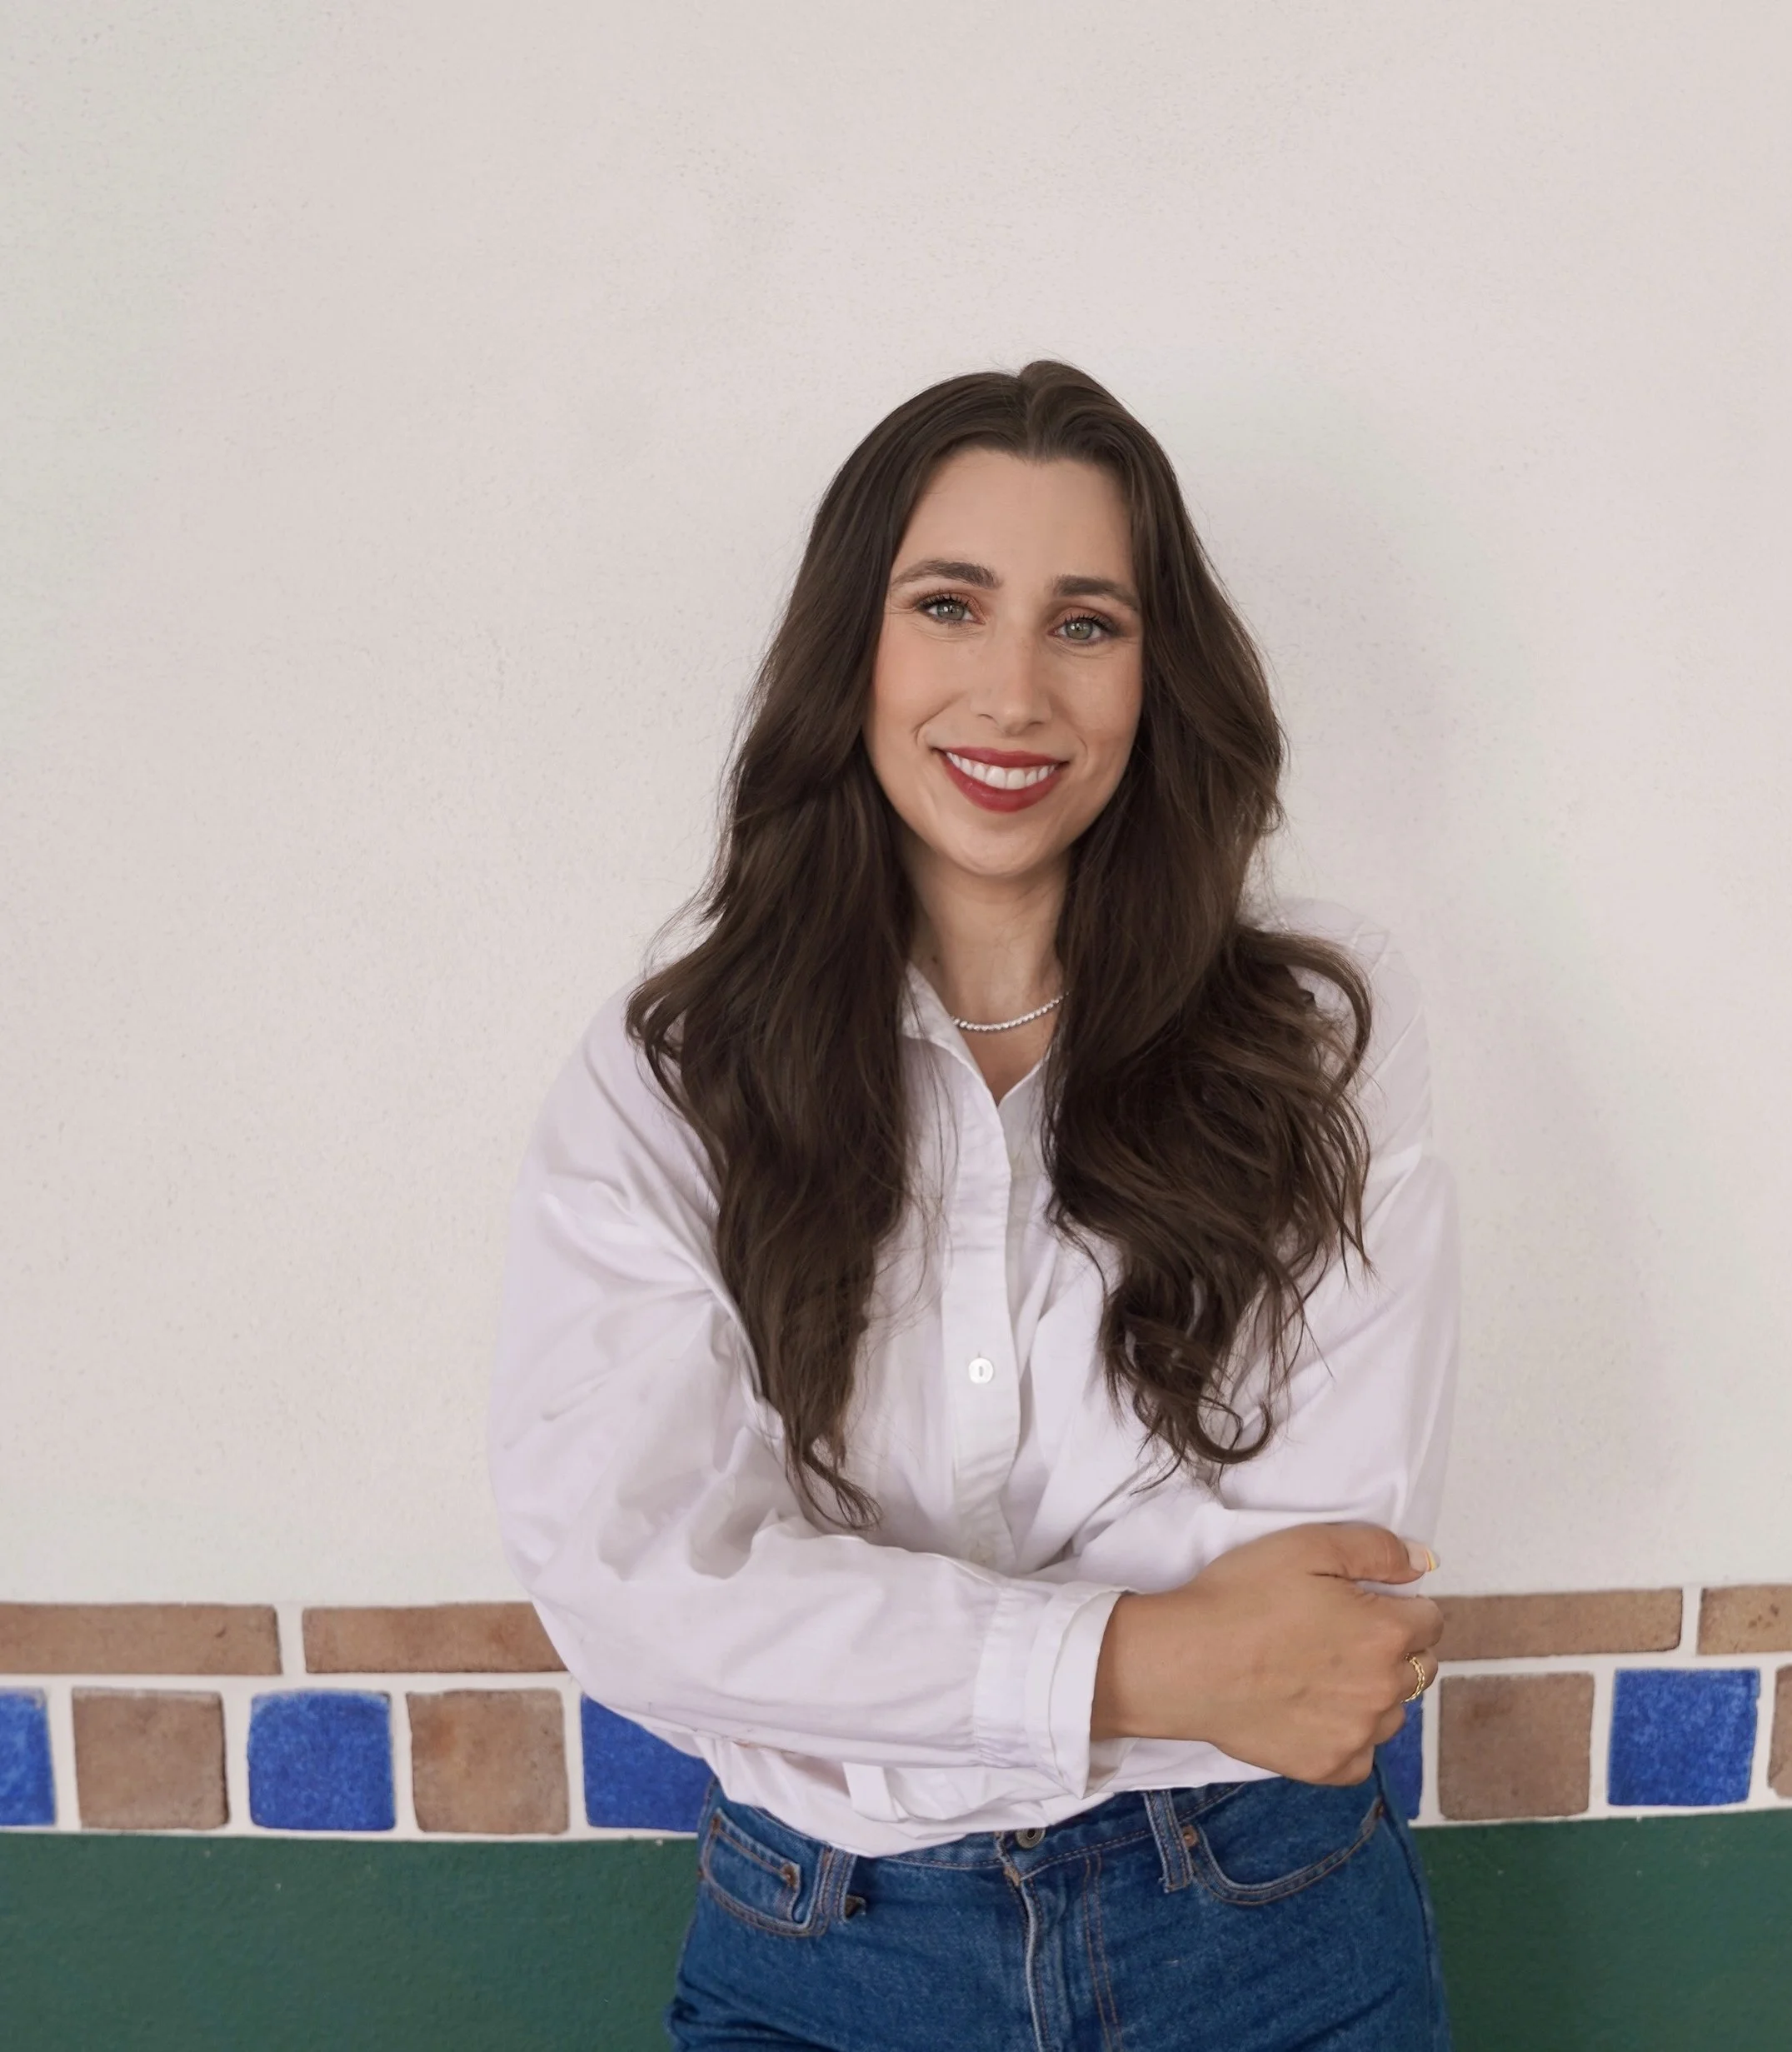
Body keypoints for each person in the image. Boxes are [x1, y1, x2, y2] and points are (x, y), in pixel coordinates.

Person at [487, 360, 1460, 2050]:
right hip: (823, 1957)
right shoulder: (674, 1076)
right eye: (949, 605)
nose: (1013, 692)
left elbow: (1319, 1581)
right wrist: (1147, 1663)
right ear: (851, 650)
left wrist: (841, 1637)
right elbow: (639, 1580)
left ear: (1156, 675)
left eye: (1085, 623)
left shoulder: (1310, 1039)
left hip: (1268, 1938)